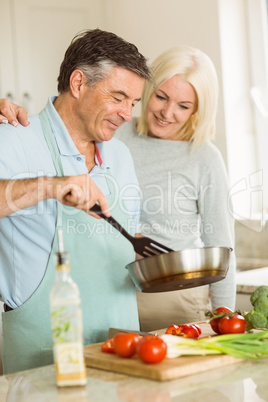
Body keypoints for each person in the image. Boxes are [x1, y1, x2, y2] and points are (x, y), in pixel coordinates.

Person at [0, 46, 236, 332]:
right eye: (160, 96)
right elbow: (59, 123)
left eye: (183, 106)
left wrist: (226, 318)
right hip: (95, 303)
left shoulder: (129, 150)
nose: (167, 112)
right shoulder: (111, 133)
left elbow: (222, 244)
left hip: (161, 298)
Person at [0, 28, 151, 374]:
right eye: (118, 97)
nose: (127, 114)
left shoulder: (122, 155)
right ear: (79, 83)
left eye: (133, 102)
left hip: (123, 351)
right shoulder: (13, 139)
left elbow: (126, 242)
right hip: (43, 356)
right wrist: (52, 185)